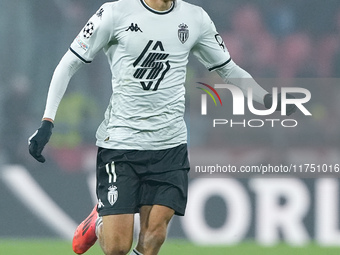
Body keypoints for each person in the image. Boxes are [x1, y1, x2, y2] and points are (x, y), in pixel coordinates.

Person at [28, 0, 296, 255]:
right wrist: (47, 122)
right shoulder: (114, 13)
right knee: (118, 247)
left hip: (170, 146)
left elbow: (229, 69)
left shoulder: (195, 19)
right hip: (122, 144)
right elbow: (69, 62)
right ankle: (99, 221)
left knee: (153, 236)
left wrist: (268, 100)